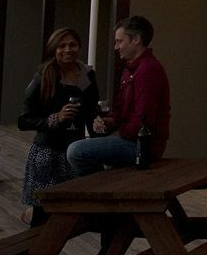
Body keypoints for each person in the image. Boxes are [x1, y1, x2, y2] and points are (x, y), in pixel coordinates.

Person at [15, 26, 99, 228]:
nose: (67, 50)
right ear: (53, 48)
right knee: (44, 214)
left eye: (72, 45)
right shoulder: (44, 76)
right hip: (48, 153)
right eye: (62, 46)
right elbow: (23, 120)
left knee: (75, 213)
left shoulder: (87, 76)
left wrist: (98, 124)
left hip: (75, 152)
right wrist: (55, 118)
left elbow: (92, 111)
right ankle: (36, 254)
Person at [67, 15, 170, 176]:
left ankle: (98, 190)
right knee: (80, 147)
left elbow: (143, 121)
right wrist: (108, 122)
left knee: (76, 151)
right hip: (131, 139)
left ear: (136, 39)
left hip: (142, 146)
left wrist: (118, 132)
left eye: (120, 41)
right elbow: (122, 111)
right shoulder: (130, 70)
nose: (116, 47)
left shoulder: (147, 70)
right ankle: (101, 188)